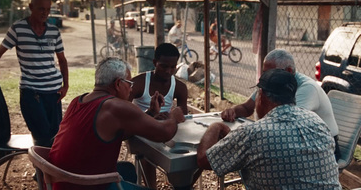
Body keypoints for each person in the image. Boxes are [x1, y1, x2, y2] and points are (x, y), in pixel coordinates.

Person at [49, 57, 185, 190]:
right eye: (129, 84)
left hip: (63, 180)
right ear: (118, 84)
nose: (131, 89)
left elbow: (120, 132)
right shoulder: (115, 106)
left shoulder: (78, 100)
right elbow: (164, 133)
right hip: (87, 184)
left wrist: (150, 113)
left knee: (128, 170)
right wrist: (174, 116)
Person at [197, 69, 341, 189]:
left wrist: (215, 127)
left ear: (262, 96)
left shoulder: (253, 133)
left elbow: (204, 160)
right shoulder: (318, 122)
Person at [0, 0, 69, 147]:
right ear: (31, 7)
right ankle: (41, 170)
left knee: (55, 136)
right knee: (42, 136)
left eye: (48, 9)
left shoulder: (54, 31)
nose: (45, 13)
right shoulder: (18, 29)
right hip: (32, 92)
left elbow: (62, 60)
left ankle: (48, 171)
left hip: (54, 93)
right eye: (41, 9)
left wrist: (66, 85)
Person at [221, 48, 341, 160]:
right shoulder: (272, 82)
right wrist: (233, 111)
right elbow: (247, 107)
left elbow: (288, 126)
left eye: (270, 72)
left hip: (323, 146)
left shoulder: (307, 88)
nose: (265, 77)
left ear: (288, 71)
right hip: (298, 140)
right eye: (264, 73)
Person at [129, 43, 188, 188]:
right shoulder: (139, 83)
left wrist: (174, 115)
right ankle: (152, 187)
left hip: (166, 130)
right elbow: (124, 113)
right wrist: (150, 116)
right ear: (155, 63)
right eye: (163, 66)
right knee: (148, 150)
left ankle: (183, 184)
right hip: (140, 132)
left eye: (173, 67)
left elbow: (183, 113)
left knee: (187, 152)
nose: (168, 71)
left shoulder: (179, 87)